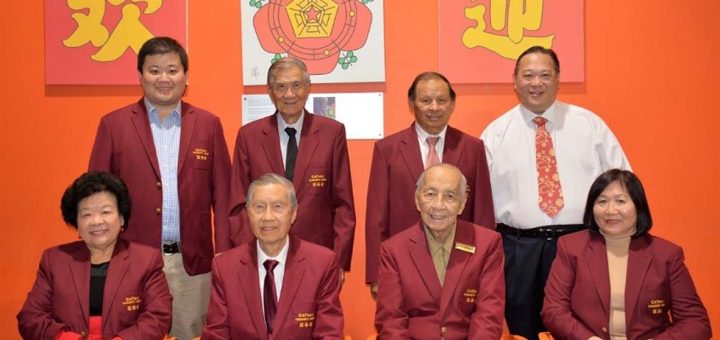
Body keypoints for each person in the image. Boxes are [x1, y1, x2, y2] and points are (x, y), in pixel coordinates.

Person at [480, 46, 631, 340]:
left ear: (558, 79)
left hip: (580, 243)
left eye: (545, 75)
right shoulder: (495, 134)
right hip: (518, 249)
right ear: (515, 81)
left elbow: (624, 183)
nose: (536, 83)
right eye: (528, 75)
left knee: (581, 326)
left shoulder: (590, 125)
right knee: (522, 328)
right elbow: (480, 200)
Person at [88, 36, 232, 339]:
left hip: (191, 263)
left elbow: (224, 196)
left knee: (191, 333)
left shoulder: (208, 124)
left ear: (186, 76)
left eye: (172, 70)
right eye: (154, 71)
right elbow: (96, 197)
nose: (164, 79)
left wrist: (226, 253)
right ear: (140, 76)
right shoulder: (114, 125)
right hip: (131, 261)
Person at [365, 71, 495, 297]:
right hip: (403, 262)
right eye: (425, 101)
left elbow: (483, 213)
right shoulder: (387, 149)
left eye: (441, 100)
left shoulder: (473, 148)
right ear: (411, 103)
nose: (434, 107)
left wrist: (486, 266)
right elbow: (376, 217)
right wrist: (377, 275)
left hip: (460, 262)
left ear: (452, 103)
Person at [542, 169, 711, 339]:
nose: (610, 210)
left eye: (620, 201)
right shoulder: (571, 247)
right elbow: (553, 310)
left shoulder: (666, 255)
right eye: (602, 201)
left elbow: (696, 323)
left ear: (638, 206)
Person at [228, 57, 355, 275]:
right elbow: (238, 205)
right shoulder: (249, 136)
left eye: (296, 85)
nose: (289, 94)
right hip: (262, 255)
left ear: (307, 89)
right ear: (270, 91)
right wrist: (245, 257)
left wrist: (338, 261)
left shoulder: (331, 133)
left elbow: (343, 204)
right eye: (281, 87)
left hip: (318, 256)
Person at [17, 171, 172, 339]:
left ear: (121, 218)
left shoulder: (146, 260)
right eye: (86, 214)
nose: (96, 221)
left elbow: (159, 315)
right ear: (76, 222)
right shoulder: (54, 260)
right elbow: (30, 317)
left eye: (105, 212)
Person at [203, 173, 343, 339]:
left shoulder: (322, 263)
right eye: (259, 207)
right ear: (248, 212)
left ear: (293, 213)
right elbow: (216, 334)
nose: (268, 217)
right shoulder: (225, 267)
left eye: (277, 207)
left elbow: (329, 333)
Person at [375, 164, 504, 339]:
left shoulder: (487, 244)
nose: (439, 205)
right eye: (430, 194)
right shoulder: (393, 251)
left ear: (462, 203)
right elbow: (391, 322)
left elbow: (488, 316)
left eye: (450, 196)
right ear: (417, 199)